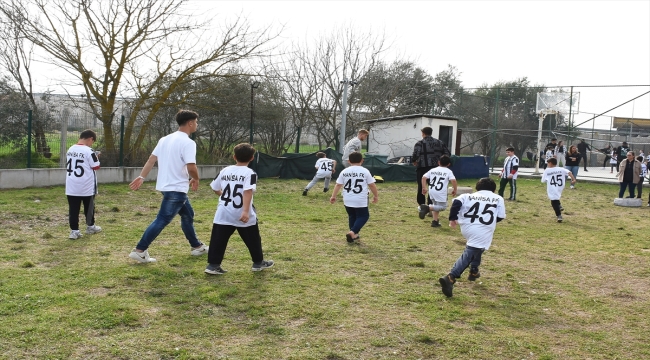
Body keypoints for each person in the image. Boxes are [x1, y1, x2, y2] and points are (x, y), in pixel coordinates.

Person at [128, 110, 208, 263]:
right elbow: (191, 167)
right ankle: (140, 250)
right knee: (162, 219)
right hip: (176, 188)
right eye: (196, 122)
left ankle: (197, 247)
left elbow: (151, 159)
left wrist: (142, 176)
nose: (197, 125)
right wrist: (196, 178)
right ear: (190, 123)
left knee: (187, 215)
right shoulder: (188, 142)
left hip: (166, 187)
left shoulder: (164, 139)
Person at [204, 143, 274, 275]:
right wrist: (245, 211)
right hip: (241, 212)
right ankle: (258, 263)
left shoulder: (225, 170)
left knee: (218, 239)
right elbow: (248, 192)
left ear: (234, 156)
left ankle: (213, 265)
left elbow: (214, 187)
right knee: (253, 238)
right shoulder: (250, 173)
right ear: (252, 158)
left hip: (223, 211)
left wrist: (224, 196)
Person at [438, 177, 506, 298]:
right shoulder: (498, 198)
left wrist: (453, 218)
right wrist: (487, 222)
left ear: (477, 188)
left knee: (477, 248)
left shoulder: (467, 195)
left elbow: (456, 203)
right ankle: (451, 277)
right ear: (494, 189)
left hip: (466, 227)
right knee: (472, 251)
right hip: (482, 228)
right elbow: (500, 216)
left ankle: (474, 271)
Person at [330, 151, 379, 243]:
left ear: (349, 161)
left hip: (347, 198)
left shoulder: (344, 171)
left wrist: (333, 196)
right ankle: (353, 232)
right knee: (364, 215)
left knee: (352, 215)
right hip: (360, 199)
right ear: (362, 160)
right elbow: (372, 185)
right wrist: (376, 196)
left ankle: (354, 235)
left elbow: (338, 185)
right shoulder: (365, 171)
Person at [65, 129, 102, 239]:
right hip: (86, 186)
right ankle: (90, 226)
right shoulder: (89, 151)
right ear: (90, 139)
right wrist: (97, 157)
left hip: (71, 186)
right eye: (93, 141)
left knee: (73, 209)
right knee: (89, 207)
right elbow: (96, 166)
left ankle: (74, 231)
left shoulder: (70, 149)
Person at [412, 126, 451, 206]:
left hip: (422, 167)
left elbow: (416, 154)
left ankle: (422, 205)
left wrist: (414, 161)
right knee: (433, 187)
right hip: (436, 168)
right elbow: (447, 153)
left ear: (423, 133)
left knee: (421, 186)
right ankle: (431, 205)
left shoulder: (420, 143)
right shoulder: (440, 142)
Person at [418, 155, 458, 228]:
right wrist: (455, 189)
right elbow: (453, 180)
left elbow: (424, 177)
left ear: (439, 162)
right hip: (440, 192)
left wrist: (424, 187)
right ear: (449, 164)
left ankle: (435, 221)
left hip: (432, 190)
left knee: (435, 205)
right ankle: (426, 208)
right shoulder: (448, 171)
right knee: (443, 207)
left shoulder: (433, 170)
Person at [541, 158, 576, 223]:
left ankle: (559, 216)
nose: (548, 164)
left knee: (553, 201)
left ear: (550, 163)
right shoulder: (561, 169)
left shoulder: (547, 170)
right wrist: (573, 179)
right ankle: (559, 205)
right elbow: (569, 172)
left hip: (552, 186)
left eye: (548, 163)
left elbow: (543, 180)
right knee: (556, 197)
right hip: (560, 186)